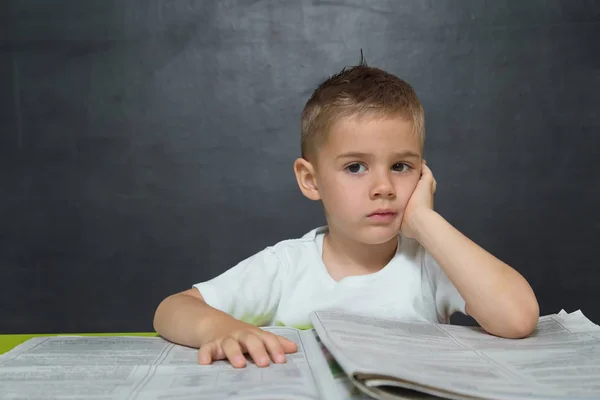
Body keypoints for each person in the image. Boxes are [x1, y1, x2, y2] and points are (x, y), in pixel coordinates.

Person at [153, 57, 539, 369]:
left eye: (401, 167)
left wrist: (425, 221)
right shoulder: (287, 267)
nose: (383, 187)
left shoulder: (429, 263)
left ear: (424, 173)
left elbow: (518, 318)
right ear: (311, 179)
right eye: (355, 167)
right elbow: (172, 309)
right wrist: (221, 328)